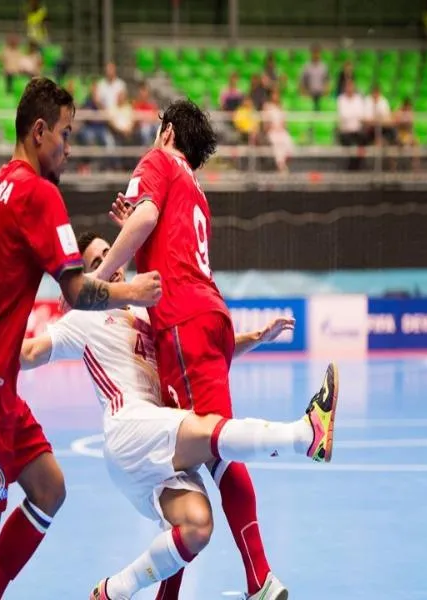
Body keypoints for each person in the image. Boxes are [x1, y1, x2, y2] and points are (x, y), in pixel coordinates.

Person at [0, 77, 162, 600]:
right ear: (39, 130)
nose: (69, 149)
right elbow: (74, 292)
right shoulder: (38, 194)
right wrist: (131, 290)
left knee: (49, 488)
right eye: (66, 135)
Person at [92, 100, 337, 599]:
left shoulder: (156, 162)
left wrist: (92, 281)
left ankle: (261, 575)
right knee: (185, 458)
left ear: (167, 131)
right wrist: (134, 229)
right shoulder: (194, 189)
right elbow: (154, 235)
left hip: (181, 322)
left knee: (215, 453)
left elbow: (145, 225)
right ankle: (224, 585)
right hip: (205, 319)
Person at [19, 231, 338, 600]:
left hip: (157, 441)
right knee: (209, 429)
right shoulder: (84, 319)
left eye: (110, 254)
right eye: (96, 264)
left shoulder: (146, 313)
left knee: (196, 527)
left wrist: (254, 338)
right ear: (85, 282)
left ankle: (114, 591)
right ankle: (304, 436)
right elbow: (30, 353)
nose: (112, 266)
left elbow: (195, 358)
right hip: (130, 429)